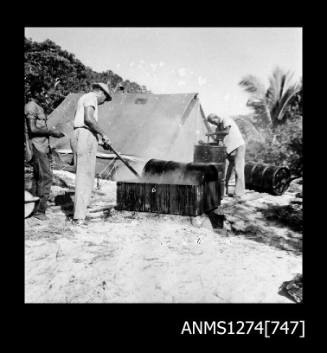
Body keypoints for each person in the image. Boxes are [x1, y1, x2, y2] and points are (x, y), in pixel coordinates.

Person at [70, 82, 112, 225]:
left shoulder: (83, 98)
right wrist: (103, 134)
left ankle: (80, 213)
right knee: (84, 177)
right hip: (84, 135)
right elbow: (88, 119)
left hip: (82, 135)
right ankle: (79, 218)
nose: (104, 102)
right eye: (105, 99)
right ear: (101, 92)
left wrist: (99, 141)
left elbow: (82, 123)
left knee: (84, 175)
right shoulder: (91, 97)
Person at [25, 95, 65, 220]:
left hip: (42, 146)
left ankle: (34, 208)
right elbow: (32, 129)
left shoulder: (38, 107)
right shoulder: (31, 106)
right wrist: (52, 132)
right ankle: (40, 211)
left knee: (39, 178)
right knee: (46, 177)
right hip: (37, 147)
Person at [207, 113, 246, 198]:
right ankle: (223, 192)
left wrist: (212, 134)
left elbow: (226, 131)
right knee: (225, 171)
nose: (214, 124)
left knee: (238, 170)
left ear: (216, 117)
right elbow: (218, 141)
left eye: (213, 122)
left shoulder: (225, 119)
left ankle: (239, 193)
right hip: (228, 150)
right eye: (212, 123)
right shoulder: (218, 127)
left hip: (238, 146)